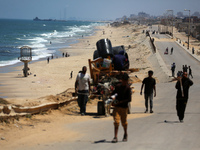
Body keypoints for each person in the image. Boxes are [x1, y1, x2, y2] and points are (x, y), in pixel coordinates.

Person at [111, 73, 132, 143]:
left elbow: (129, 99)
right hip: (117, 107)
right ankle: (115, 137)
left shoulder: (128, 88)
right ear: (122, 80)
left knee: (124, 123)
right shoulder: (118, 87)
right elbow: (113, 94)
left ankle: (125, 134)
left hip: (124, 107)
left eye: (126, 80)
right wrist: (113, 98)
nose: (124, 82)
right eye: (124, 80)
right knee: (116, 122)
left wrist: (121, 102)